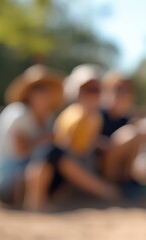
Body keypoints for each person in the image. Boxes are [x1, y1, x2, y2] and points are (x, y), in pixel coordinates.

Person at [23, 64, 119, 211]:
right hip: (68, 171)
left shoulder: (95, 117)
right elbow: (65, 153)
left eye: (95, 89)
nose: (92, 94)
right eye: (87, 90)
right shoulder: (74, 116)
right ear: (77, 92)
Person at [0, 65, 64, 204]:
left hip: (20, 176)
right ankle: (35, 203)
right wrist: (45, 140)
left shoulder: (48, 117)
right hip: (2, 181)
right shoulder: (18, 113)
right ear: (29, 93)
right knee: (50, 154)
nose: (44, 93)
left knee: (58, 154)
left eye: (47, 89)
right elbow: (21, 151)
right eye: (39, 88)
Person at [98, 71, 144, 183]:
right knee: (131, 134)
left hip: (117, 165)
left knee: (138, 132)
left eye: (127, 90)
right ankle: (112, 182)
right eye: (118, 90)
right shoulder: (99, 115)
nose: (123, 94)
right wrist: (109, 144)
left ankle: (127, 179)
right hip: (99, 166)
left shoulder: (126, 120)